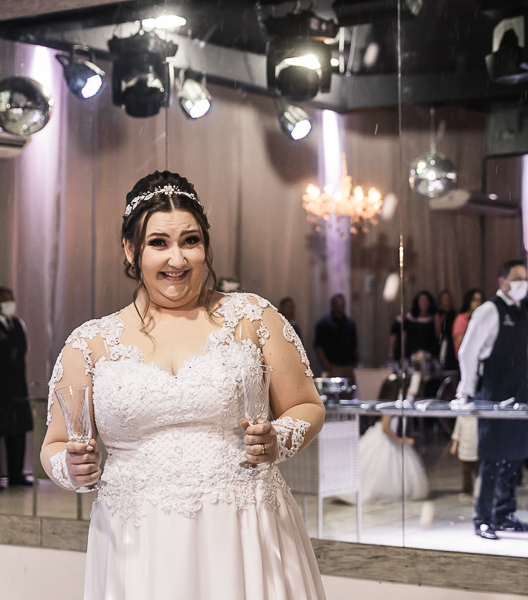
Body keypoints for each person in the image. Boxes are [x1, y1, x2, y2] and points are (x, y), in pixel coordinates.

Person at [41, 171, 327, 599]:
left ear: (205, 246)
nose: (177, 259)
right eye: (159, 243)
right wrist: (70, 468)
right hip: (137, 542)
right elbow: (54, 445)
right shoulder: (90, 344)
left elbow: (307, 405)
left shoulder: (253, 318)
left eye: (190, 241)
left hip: (245, 528)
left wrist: (279, 439)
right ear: (131, 249)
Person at [457, 259, 528, 540]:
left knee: (514, 458)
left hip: (518, 394)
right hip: (493, 395)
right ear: (502, 281)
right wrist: (465, 390)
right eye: (517, 278)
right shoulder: (489, 310)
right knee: (492, 459)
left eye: (525, 278)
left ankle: (505, 513)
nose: (523, 283)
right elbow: (467, 352)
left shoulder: (521, 311)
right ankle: (483, 518)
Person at [341, 415, 428, 504]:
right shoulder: (389, 410)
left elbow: (393, 428)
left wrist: (403, 438)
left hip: (386, 435)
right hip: (383, 438)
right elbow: (385, 428)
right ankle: (374, 492)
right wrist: (399, 440)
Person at [0, 286, 32, 488]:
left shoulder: (18, 324)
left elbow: (23, 351)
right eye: (5, 300)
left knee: (18, 431)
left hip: (17, 387)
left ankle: (16, 474)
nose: (9, 304)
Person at [314, 293, 358, 380]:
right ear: (332, 305)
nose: (340, 305)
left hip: (348, 366)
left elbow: (354, 345)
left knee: (348, 391)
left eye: (342, 303)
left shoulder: (350, 323)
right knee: (332, 392)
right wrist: (326, 364)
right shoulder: (324, 324)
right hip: (333, 367)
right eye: (338, 303)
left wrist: (354, 363)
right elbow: (318, 346)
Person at [390, 290, 439, 362]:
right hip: (410, 354)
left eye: (426, 300)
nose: (424, 303)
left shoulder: (433, 318)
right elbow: (400, 335)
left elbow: (438, 336)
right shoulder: (409, 318)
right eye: (421, 300)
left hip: (428, 354)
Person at [452, 288, 484, 357]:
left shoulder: (480, 319)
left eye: (480, 300)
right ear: (469, 302)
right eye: (476, 300)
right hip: (466, 358)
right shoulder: (461, 319)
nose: (479, 303)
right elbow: (461, 341)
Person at [435, 290, 458, 370]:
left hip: (454, 340)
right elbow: (438, 333)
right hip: (445, 343)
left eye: (448, 298)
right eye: (444, 298)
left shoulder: (455, 312)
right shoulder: (439, 314)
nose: (446, 300)